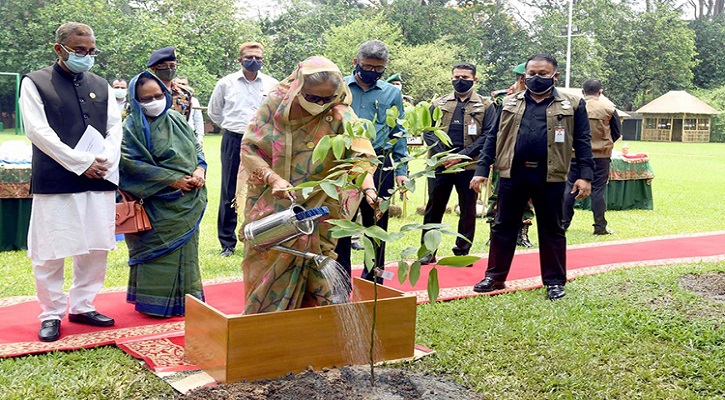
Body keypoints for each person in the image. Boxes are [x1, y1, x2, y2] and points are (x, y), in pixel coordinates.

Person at [240, 56, 377, 314]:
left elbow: (360, 157)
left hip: (321, 204)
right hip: (273, 198)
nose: (320, 105)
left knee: (318, 260)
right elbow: (249, 147)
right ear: (298, 87)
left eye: (327, 98)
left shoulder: (340, 113)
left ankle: (311, 327)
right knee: (266, 255)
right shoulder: (275, 106)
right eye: (313, 98)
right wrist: (273, 178)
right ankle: (262, 325)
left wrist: (368, 187)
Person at [19, 22, 121, 342]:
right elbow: (37, 131)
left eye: (91, 51)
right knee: (51, 248)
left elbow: (114, 128)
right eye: (80, 51)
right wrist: (81, 163)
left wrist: (104, 160)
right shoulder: (35, 82)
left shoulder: (102, 85)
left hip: (99, 177)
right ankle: (51, 313)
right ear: (58, 49)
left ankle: (83, 305)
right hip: (57, 178)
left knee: (95, 245)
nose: (87, 56)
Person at [470, 53, 594, 300]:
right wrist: (482, 170)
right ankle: (494, 277)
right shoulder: (507, 102)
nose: (536, 78)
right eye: (532, 74)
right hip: (512, 173)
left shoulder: (573, 104)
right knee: (503, 226)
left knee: (552, 229)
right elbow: (492, 138)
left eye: (543, 74)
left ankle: (555, 282)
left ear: (555, 76)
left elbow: (582, 141)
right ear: (525, 76)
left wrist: (585, 176)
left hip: (551, 175)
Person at [119, 71, 207, 317]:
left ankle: (186, 300)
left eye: (158, 95)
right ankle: (153, 304)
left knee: (187, 253)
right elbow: (129, 164)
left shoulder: (178, 119)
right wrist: (172, 181)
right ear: (135, 101)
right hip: (156, 204)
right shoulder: (131, 128)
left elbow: (196, 149)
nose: (154, 101)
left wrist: (200, 170)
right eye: (146, 98)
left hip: (188, 201)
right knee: (159, 256)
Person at [333, 40, 409, 283]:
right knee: (342, 222)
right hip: (344, 163)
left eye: (379, 69)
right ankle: (340, 277)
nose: (373, 72)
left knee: (376, 223)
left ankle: (375, 278)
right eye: (368, 66)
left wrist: (402, 168)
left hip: (380, 165)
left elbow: (398, 131)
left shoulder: (392, 93)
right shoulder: (339, 87)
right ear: (356, 62)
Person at [419, 62, 497, 265]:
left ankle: (462, 252)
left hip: (469, 166)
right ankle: (428, 250)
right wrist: (443, 157)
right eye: (456, 77)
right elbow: (428, 130)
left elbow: (489, 135)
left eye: (465, 78)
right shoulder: (439, 103)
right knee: (434, 208)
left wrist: (461, 156)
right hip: (440, 165)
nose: (460, 81)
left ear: (475, 79)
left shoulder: (486, 105)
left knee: (468, 208)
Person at [208, 42, 279, 257]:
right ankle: (227, 243)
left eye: (258, 57)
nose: (254, 61)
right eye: (249, 57)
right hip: (234, 139)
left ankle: (262, 236)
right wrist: (234, 127)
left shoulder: (272, 84)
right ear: (240, 60)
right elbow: (214, 112)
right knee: (229, 190)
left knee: (264, 188)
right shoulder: (226, 83)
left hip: (262, 141)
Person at [485, 62, 536, 248]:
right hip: (504, 158)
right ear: (523, 79)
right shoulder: (502, 101)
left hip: (529, 159)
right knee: (498, 195)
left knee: (527, 197)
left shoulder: (539, 101)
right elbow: (493, 132)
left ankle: (522, 233)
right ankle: (495, 232)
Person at [562, 78, 621, 234]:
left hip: (575, 155)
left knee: (570, 188)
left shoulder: (574, 107)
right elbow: (616, 132)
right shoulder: (609, 108)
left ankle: (563, 223)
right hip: (600, 155)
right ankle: (600, 226)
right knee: (598, 191)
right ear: (600, 92)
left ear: (583, 92)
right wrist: (603, 143)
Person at [147, 46, 193, 122]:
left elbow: (185, 118)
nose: (169, 69)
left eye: (172, 66)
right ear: (153, 68)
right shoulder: (145, 91)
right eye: (163, 66)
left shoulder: (184, 93)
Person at [175, 76, 205, 145]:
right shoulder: (169, 99)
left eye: (183, 84)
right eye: (179, 83)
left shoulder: (194, 101)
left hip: (190, 135)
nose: (181, 86)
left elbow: (198, 120)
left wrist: (200, 138)